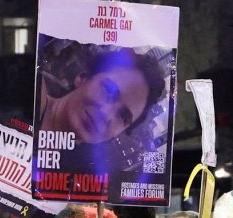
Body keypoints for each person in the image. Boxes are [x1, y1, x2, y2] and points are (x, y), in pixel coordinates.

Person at [37, 45, 166, 147]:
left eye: (122, 116)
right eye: (109, 91)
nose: (106, 114)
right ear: (83, 78)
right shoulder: (33, 94)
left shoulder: (78, 173)